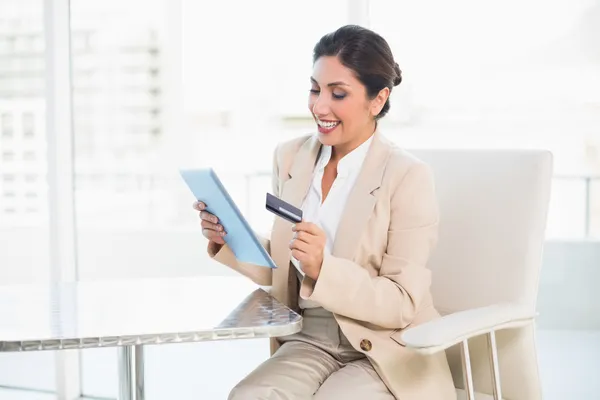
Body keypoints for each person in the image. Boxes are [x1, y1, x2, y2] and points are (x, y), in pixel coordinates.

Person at [193, 25, 455, 400]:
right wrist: (229, 238)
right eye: (315, 89)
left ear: (377, 100)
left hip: (382, 345)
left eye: (338, 93)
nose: (319, 107)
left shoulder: (407, 176)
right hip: (309, 336)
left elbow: (402, 302)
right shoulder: (290, 157)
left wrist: (323, 269)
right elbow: (284, 265)